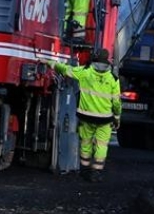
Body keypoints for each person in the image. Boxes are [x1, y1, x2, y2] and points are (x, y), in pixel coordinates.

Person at [44, 48, 121, 182]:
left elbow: (66, 69)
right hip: (105, 119)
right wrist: (117, 117)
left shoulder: (85, 72)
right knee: (101, 145)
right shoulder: (113, 78)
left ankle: (84, 170)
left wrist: (49, 62)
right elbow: (116, 102)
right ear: (107, 60)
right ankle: (96, 172)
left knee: (86, 143)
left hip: (86, 117)